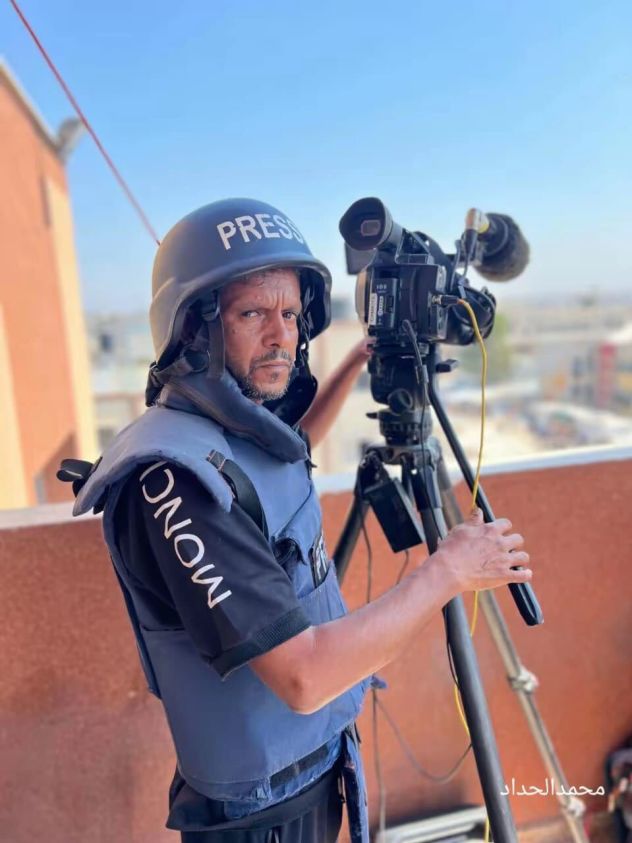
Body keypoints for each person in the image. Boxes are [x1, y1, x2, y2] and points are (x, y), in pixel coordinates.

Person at [64, 198, 532, 843]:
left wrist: (358, 360)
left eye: (289, 315)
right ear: (193, 327)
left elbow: (284, 455)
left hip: (311, 766)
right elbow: (305, 678)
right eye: (252, 313)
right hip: (263, 813)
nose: (280, 335)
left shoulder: (223, 420)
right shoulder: (174, 480)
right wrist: (447, 570)